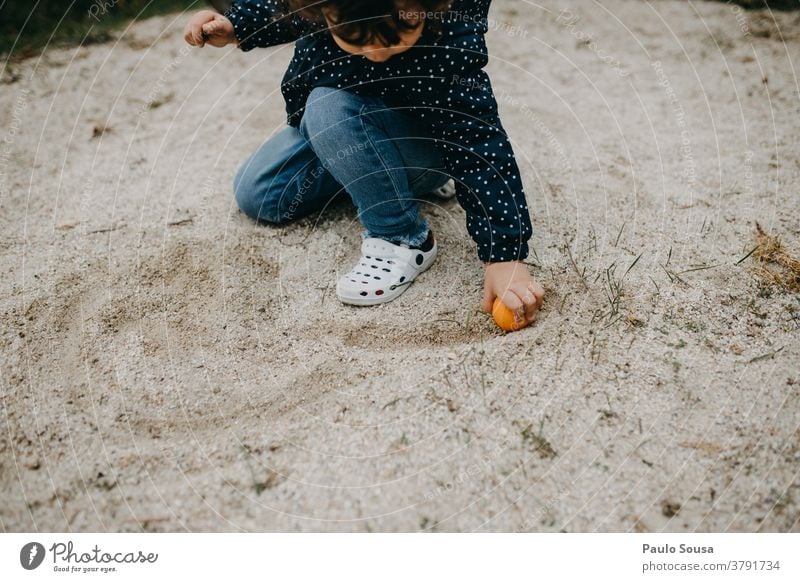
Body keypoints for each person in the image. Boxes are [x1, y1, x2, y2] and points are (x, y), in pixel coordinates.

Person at [184, 0, 544, 326]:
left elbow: (478, 143)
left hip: (420, 139)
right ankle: (375, 179)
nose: (377, 52)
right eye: (355, 37)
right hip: (344, 131)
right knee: (261, 193)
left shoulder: (449, 29)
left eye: (396, 31)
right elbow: (280, 9)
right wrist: (236, 25)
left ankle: (401, 237)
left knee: (326, 106)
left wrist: (504, 255)